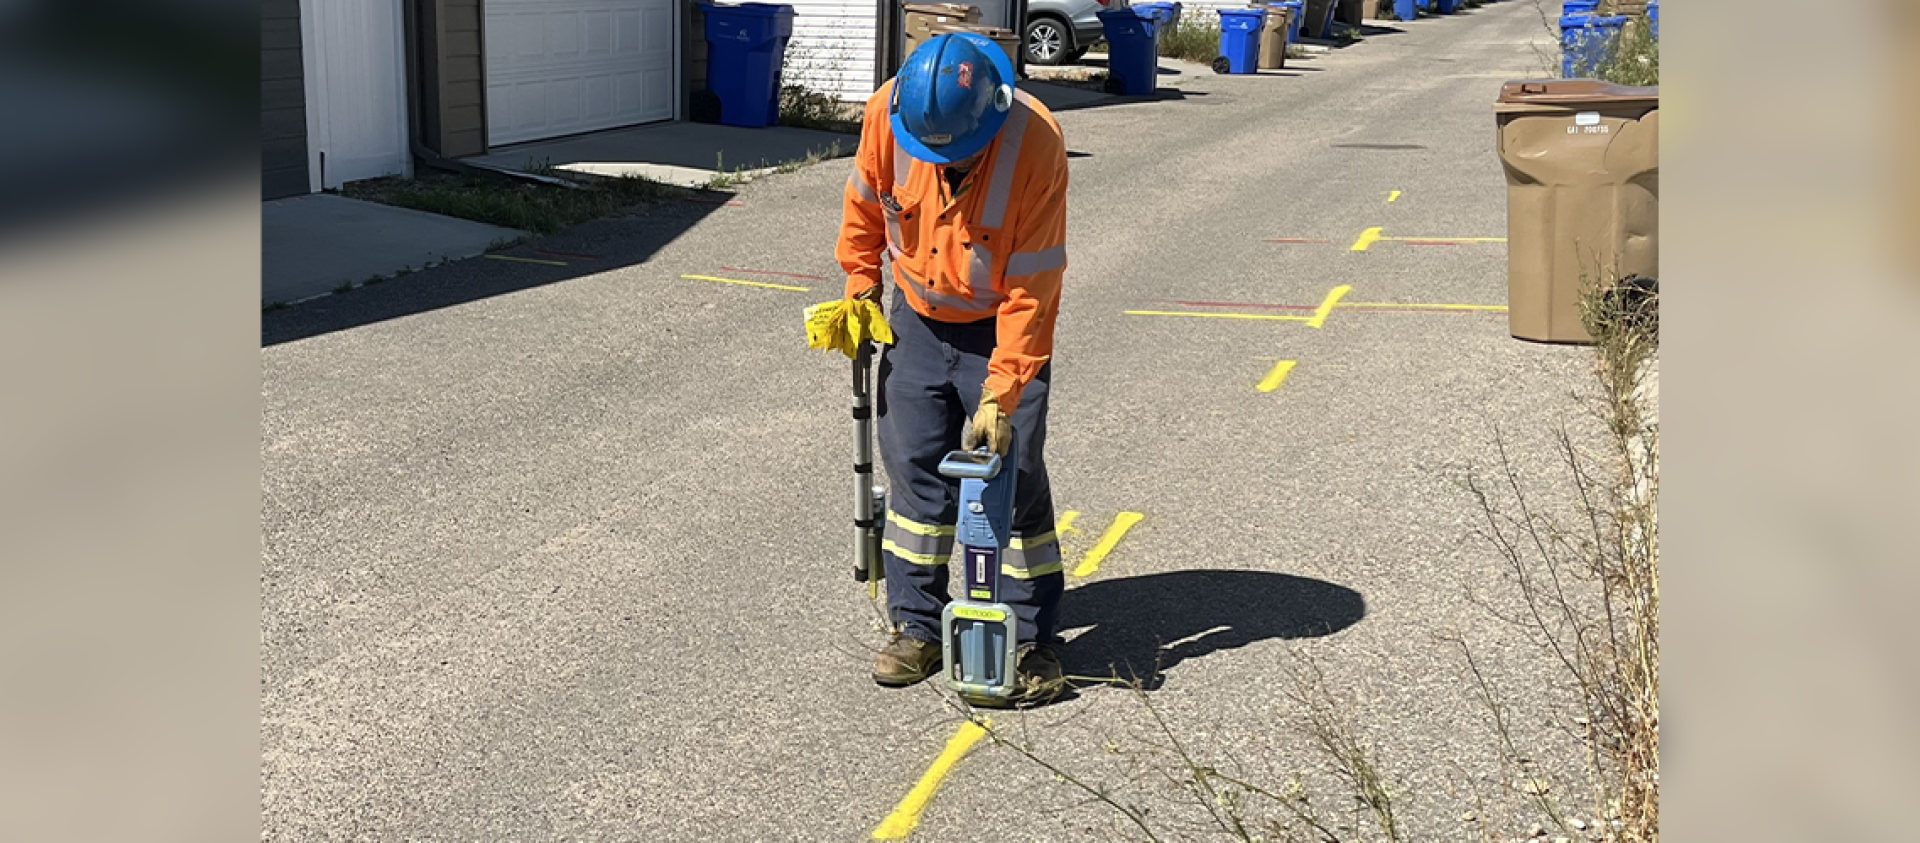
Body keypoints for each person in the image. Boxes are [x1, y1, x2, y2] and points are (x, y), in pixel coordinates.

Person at [835, 33, 1071, 704]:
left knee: (1011, 479)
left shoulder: (1036, 143)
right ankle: (917, 625)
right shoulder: (890, 113)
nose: (942, 159)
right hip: (916, 315)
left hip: (1000, 324)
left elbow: (1033, 286)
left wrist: (1003, 391)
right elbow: (863, 210)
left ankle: (1030, 637)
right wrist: (861, 292)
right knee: (913, 469)